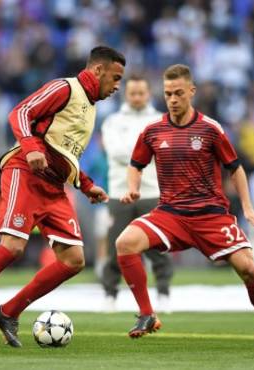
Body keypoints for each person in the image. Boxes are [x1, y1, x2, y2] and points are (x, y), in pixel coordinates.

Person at [0, 46, 125, 348]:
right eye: (115, 78)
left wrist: (86, 184)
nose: (117, 86)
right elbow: (21, 112)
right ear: (97, 71)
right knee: (12, 247)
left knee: (74, 260)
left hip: (53, 188)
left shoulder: (90, 108)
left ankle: (8, 312)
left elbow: (66, 154)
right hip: (25, 173)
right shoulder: (65, 88)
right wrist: (30, 146)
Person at [115, 64, 254, 344]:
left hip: (211, 216)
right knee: (125, 243)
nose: (172, 99)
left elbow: (236, 169)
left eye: (178, 93)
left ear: (191, 92)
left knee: (249, 269)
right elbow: (136, 164)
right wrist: (133, 188)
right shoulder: (153, 131)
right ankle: (147, 313)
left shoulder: (210, 129)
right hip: (170, 214)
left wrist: (247, 207)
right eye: (168, 93)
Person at [100, 75, 173, 313]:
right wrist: (146, 148)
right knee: (115, 247)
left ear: (148, 93)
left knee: (157, 247)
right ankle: (110, 295)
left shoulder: (160, 120)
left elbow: (163, 153)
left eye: (141, 93)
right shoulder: (112, 121)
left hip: (152, 192)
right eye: (133, 93)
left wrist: (140, 149)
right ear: (126, 94)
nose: (137, 97)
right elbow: (116, 151)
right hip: (119, 192)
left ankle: (163, 293)